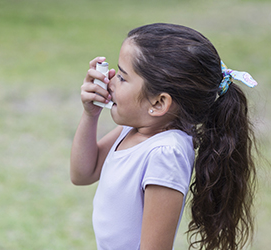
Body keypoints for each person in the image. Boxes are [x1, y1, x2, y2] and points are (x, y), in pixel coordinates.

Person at [70, 23, 258, 250]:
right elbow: (82, 173)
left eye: (122, 77)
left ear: (158, 103)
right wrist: (91, 114)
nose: (109, 82)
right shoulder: (136, 129)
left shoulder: (165, 153)